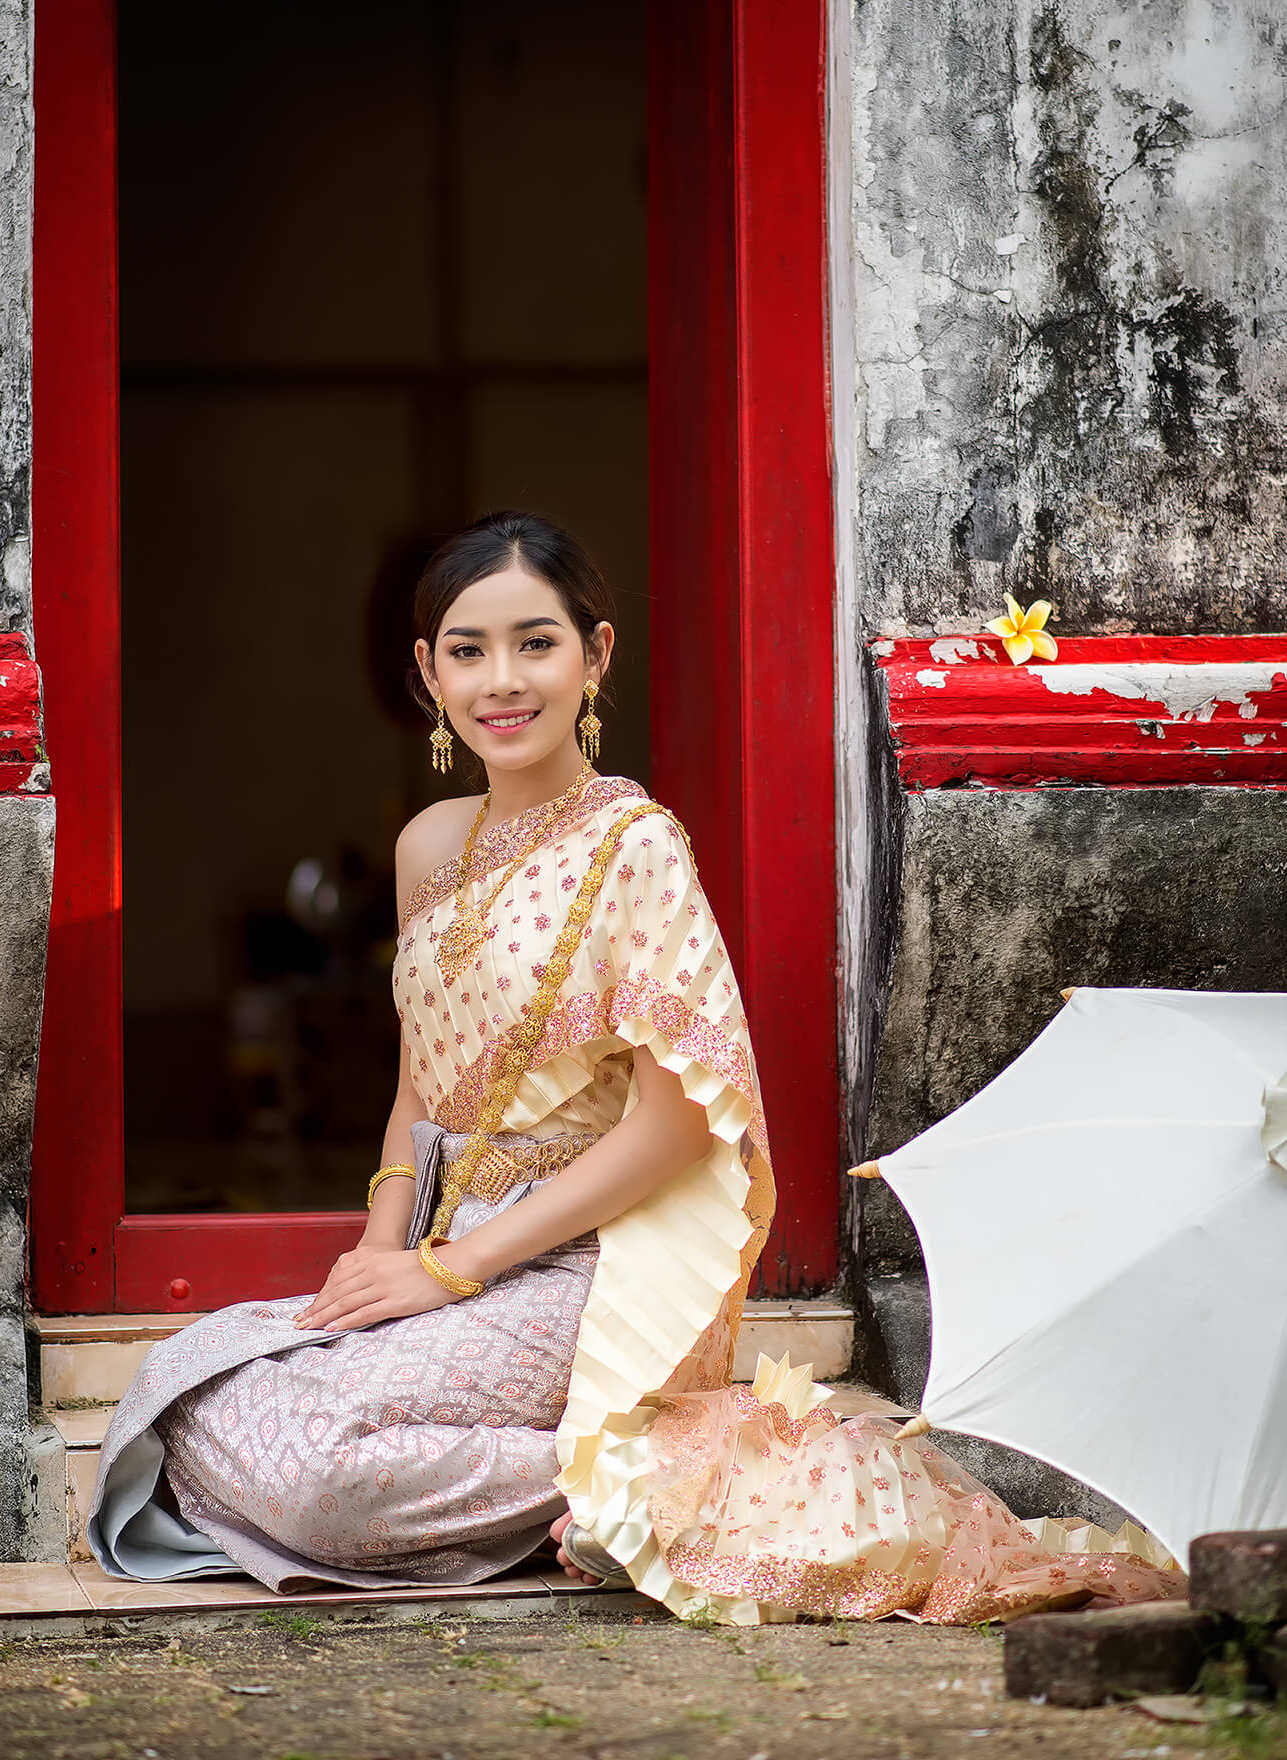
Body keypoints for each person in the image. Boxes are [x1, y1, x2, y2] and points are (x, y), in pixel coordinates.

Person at [89, 512, 1183, 1625]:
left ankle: (641, 1488)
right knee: (181, 1380)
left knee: (312, 1465)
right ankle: (586, 1475)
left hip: (584, 1260)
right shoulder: (431, 842)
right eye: (465, 650)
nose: (500, 680)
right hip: (441, 1230)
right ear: (426, 672)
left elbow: (673, 1130)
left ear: (594, 655)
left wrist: (452, 1270)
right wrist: (380, 1255)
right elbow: (419, 1089)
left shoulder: (634, 846)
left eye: (535, 642)